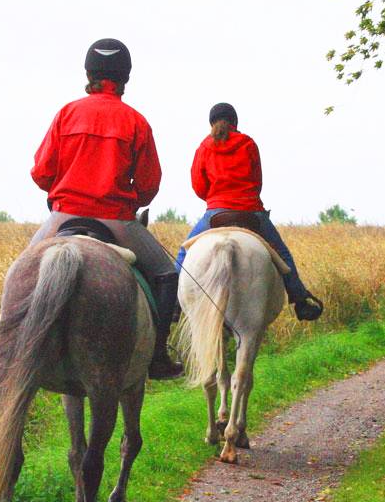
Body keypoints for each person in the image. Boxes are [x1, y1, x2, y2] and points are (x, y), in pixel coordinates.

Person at [28, 38, 183, 380]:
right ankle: (158, 355)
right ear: (125, 76)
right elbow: (148, 186)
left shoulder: (67, 114)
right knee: (166, 274)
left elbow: (41, 173)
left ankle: (12, 352)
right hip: (117, 221)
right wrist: (129, 198)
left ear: (89, 73)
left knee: (23, 270)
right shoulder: (136, 121)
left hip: (64, 215)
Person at [175, 103, 324, 321]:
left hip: (216, 213)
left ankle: (174, 306)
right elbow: (257, 182)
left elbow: (199, 186)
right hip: (251, 212)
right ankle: (300, 301)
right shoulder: (248, 144)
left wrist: (216, 198)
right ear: (235, 122)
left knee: (183, 254)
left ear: (211, 123)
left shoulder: (205, 147)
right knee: (282, 254)